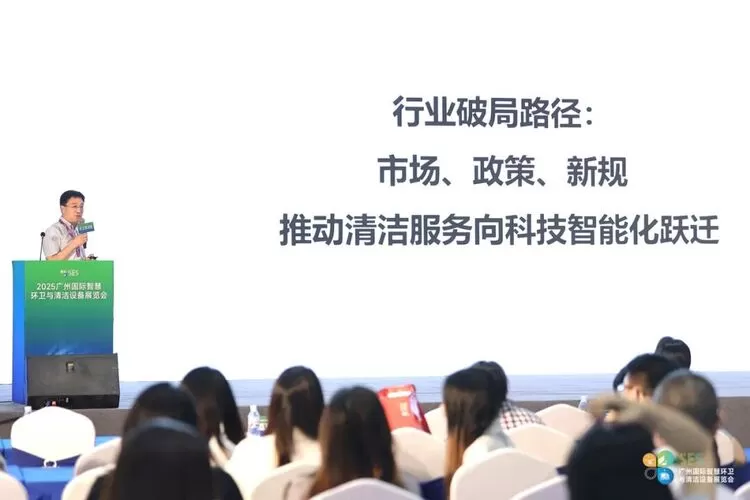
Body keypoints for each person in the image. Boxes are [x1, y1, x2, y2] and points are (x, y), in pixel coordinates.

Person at [42, 190, 90, 261]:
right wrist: (74, 243)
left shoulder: (79, 228)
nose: (79, 210)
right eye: (74, 206)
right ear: (62, 209)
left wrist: (85, 260)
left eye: (81, 206)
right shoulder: (53, 230)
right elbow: (51, 261)